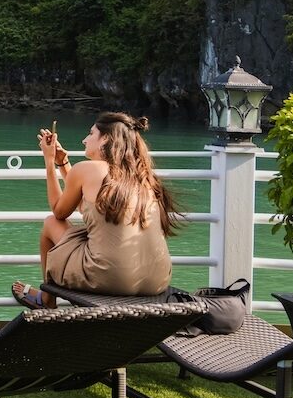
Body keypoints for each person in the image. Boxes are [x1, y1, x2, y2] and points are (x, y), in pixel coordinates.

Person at [11, 112, 181, 309]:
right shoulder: (143, 176)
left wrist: (49, 161)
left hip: (110, 277)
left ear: (106, 139)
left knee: (51, 223)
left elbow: (60, 211)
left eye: (90, 134)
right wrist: (64, 164)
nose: (84, 139)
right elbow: (89, 205)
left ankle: (47, 300)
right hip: (157, 280)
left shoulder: (87, 169)